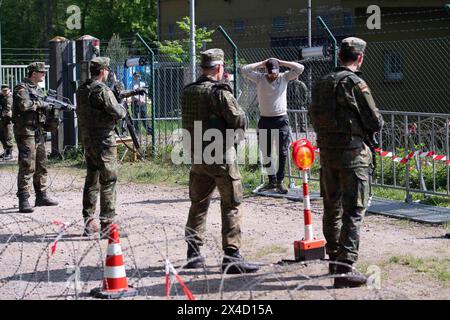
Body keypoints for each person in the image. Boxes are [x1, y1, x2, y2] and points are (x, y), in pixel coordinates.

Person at [309, 37, 384, 288]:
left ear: (339, 56)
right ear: (359, 58)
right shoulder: (354, 82)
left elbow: (313, 115)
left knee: (332, 207)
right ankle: (345, 268)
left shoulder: (321, 82)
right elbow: (374, 120)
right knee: (353, 210)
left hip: (327, 154)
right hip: (352, 155)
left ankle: (334, 259)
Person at [181, 48, 259, 274]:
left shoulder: (189, 91)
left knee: (199, 204)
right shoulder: (219, 92)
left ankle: (193, 254)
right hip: (221, 156)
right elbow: (239, 119)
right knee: (231, 203)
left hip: (197, 157)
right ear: (218, 68)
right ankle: (232, 256)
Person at [76, 57, 127, 237]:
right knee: (108, 179)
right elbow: (117, 112)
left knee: (92, 178)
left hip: (88, 139)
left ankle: (89, 222)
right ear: (104, 70)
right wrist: (123, 106)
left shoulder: (81, 90)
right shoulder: (102, 90)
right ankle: (107, 223)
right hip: (104, 140)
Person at [242, 58, 304, 194]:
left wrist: (281, 62)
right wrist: (261, 63)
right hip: (265, 120)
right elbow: (244, 70)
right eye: (270, 72)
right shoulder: (259, 78)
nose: (273, 75)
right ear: (266, 70)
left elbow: (300, 68)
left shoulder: (284, 77)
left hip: (281, 119)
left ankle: (280, 182)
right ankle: (271, 181)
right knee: (266, 152)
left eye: (275, 72)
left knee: (282, 151)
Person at [12, 62, 58, 213]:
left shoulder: (37, 89)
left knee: (41, 163)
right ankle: (24, 199)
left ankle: (41, 195)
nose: (44, 74)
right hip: (25, 131)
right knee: (27, 165)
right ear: (33, 73)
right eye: (41, 72)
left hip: (37, 130)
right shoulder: (22, 88)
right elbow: (24, 105)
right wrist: (42, 104)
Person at [0, 84, 14, 161]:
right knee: (2, 136)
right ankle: (6, 151)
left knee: (8, 136)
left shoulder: (10, 98)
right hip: (3, 119)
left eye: (6, 90)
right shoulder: (2, 96)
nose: (4, 92)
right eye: (3, 91)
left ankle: (9, 153)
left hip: (9, 120)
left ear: (9, 90)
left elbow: (7, 109)